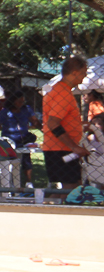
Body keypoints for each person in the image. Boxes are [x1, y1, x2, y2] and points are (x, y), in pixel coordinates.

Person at [42, 55, 90, 188]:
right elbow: (53, 123)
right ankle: (45, 200)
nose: (85, 76)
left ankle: (48, 200)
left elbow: (59, 119)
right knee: (70, 189)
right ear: (74, 73)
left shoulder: (59, 90)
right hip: (61, 149)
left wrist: (78, 126)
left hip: (61, 148)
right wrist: (74, 147)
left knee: (75, 186)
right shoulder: (63, 93)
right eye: (83, 72)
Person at [0, 90, 40, 184]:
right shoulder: (5, 112)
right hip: (9, 140)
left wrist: (42, 128)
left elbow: (35, 121)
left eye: (23, 102)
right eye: (19, 101)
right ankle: (8, 181)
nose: (21, 104)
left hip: (23, 139)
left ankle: (28, 181)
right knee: (9, 160)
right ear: (13, 101)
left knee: (26, 157)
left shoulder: (26, 109)